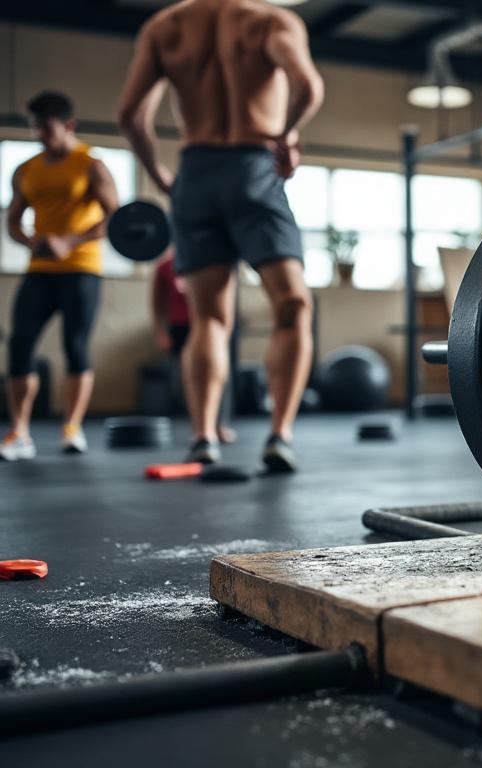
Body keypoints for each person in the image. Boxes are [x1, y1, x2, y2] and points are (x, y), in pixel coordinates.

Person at [116, 0, 324, 469]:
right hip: (253, 165)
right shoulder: (268, 21)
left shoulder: (166, 26)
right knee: (292, 305)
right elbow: (308, 86)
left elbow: (130, 115)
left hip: (195, 173)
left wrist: (160, 173)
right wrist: (285, 136)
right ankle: (279, 436)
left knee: (207, 316)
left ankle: (204, 436)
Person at [2, 91, 119, 461]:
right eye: (35, 127)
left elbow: (114, 217)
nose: (39, 134)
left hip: (82, 268)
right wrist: (32, 241)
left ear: (68, 125)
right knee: (20, 344)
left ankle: (72, 427)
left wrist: (71, 240)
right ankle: (19, 431)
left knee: (76, 346)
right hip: (40, 270)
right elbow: (13, 222)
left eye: (47, 127)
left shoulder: (90, 164)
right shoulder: (27, 169)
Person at [151, 251, 235, 443]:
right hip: (178, 326)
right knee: (186, 377)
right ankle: (200, 426)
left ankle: (219, 425)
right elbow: (157, 302)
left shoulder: (210, 261)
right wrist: (160, 331)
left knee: (219, 376)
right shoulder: (164, 266)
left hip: (207, 325)